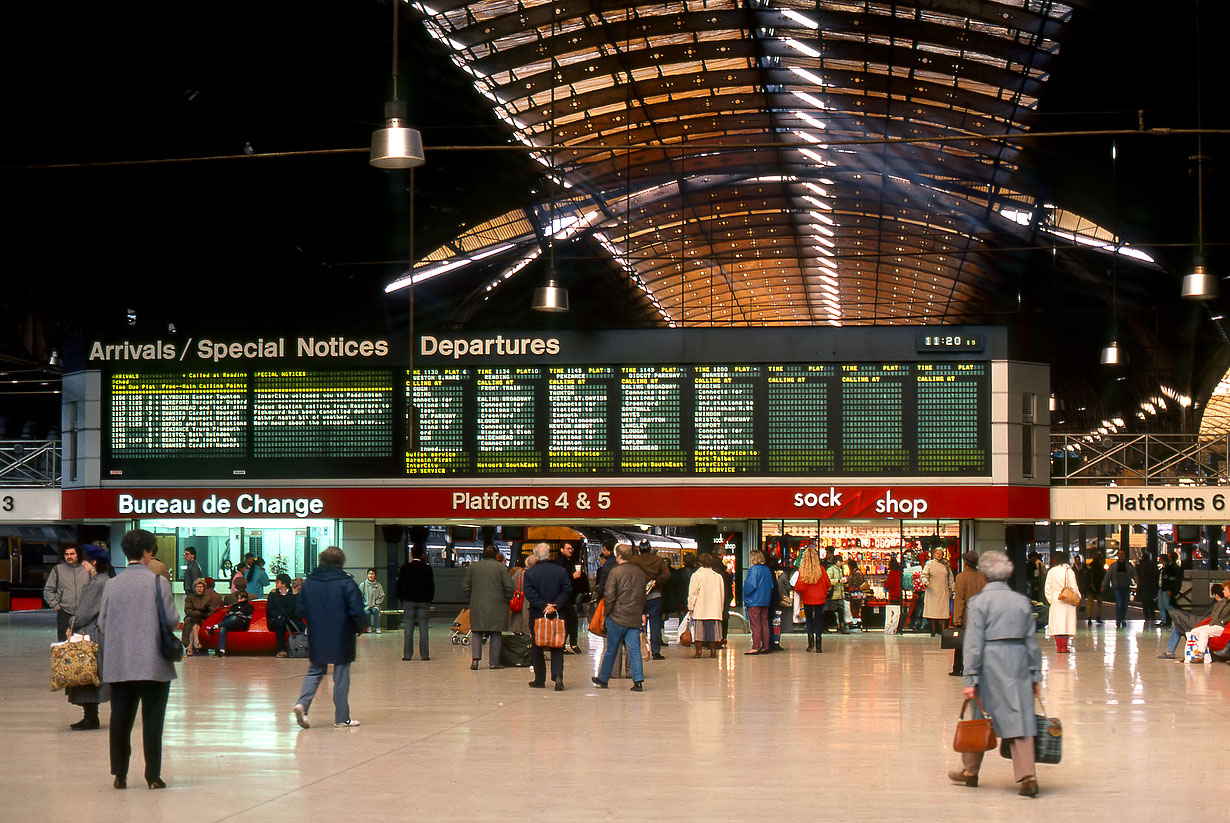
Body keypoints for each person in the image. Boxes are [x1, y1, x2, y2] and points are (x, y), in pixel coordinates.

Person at [948, 550, 1043, 798]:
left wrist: (970, 679)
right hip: (1019, 661)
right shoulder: (1021, 602)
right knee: (1021, 719)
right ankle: (1028, 777)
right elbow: (1032, 642)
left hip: (990, 663)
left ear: (983, 576)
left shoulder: (979, 603)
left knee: (979, 717)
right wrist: (1035, 674)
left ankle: (970, 772)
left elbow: (974, 644)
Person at [99, 528, 180, 789]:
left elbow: (102, 623)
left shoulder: (112, 584)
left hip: (120, 664)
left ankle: (120, 775)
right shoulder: (159, 582)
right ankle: (152, 776)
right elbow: (172, 620)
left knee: (120, 720)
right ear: (148, 551)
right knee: (153, 721)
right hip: (154, 664)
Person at [292, 546, 365, 729]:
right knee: (341, 676)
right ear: (341, 562)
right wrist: (359, 627)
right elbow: (356, 610)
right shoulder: (346, 582)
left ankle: (302, 705)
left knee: (315, 670)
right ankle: (342, 718)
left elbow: (299, 609)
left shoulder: (309, 582)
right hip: (342, 634)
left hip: (317, 632)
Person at [65, 544, 112, 730]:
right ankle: (90, 716)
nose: (82, 564)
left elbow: (86, 611)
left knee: (87, 673)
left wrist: (72, 624)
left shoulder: (98, 582)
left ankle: (91, 717)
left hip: (90, 633)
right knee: (90, 673)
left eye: (85, 561)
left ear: (94, 562)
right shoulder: (101, 580)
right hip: (94, 632)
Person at [592, 544, 647, 691]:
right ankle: (638, 681)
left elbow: (609, 596)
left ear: (618, 556)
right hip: (634, 617)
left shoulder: (615, 572)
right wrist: (641, 612)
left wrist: (607, 613)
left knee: (611, 649)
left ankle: (603, 678)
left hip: (616, 617)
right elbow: (643, 595)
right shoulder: (640, 573)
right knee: (634, 650)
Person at [523, 543, 572, 690]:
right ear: (549, 554)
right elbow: (567, 589)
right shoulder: (561, 571)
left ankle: (539, 679)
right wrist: (555, 605)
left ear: (536, 556)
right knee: (557, 645)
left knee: (537, 646)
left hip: (538, 614)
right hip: (557, 614)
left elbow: (530, 593)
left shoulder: (530, 573)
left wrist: (543, 606)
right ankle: (558, 677)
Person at [462, 545, 514, 670]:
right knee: (496, 632)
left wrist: (472, 597)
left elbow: (465, 586)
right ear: (496, 556)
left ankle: (475, 660)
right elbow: (509, 587)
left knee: (477, 631)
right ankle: (494, 662)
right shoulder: (501, 567)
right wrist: (506, 598)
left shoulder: (473, 567)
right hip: (498, 605)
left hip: (478, 604)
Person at [1158, 582, 1227, 659]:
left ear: (1216, 595)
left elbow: (1213, 618)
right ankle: (1170, 651)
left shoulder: (1219, 604)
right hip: (1204, 621)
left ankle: (1170, 652)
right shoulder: (1220, 603)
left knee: (1177, 622)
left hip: (1204, 623)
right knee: (1177, 624)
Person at [630, 542, 671, 660]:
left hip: (637, 595)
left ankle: (637, 648)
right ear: (650, 549)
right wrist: (656, 582)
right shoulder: (658, 560)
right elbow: (667, 575)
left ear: (639, 549)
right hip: (655, 595)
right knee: (655, 623)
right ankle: (655, 651)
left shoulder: (633, 560)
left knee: (636, 623)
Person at [396, 544, 435, 661]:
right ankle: (424, 655)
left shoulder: (405, 568)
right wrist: (429, 599)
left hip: (408, 601)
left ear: (411, 554)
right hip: (424, 602)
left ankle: (407, 655)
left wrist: (401, 597)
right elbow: (431, 586)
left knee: (408, 628)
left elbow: (399, 585)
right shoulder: (427, 568)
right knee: (423, 628)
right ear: (423, 555)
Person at [951, 551, 987, 676]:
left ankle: (958, 669)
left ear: (965, 563)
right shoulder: (983, 577)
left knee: (961, 643)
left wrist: (957, 618)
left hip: (968, 615)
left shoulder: (961, 577)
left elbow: (960, 599)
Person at [44, 542, 88, 639]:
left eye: (72, 554)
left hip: (84, 612)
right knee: (63, 642)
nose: (69, 557)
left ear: (78, 554)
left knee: (83, 643)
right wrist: (56, 606)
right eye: (66, 554)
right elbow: (48, 590)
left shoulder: (86, 568)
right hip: (64, 612)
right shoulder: (58, 570)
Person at [792, 545, 831, 652]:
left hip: (808, 598)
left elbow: (798, 588)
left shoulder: (802, 571)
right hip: (820, 598)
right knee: (818, 620)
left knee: (809, 620)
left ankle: (810, 644)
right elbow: (828, 584)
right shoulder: (822, 570)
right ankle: (819, 644)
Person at [687, 553, 725, 658]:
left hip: (700, 608)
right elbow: (722, 594)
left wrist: (690, 606)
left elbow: (693, 593)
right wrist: (720, 608)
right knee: (713, 632)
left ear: (699, 563)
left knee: (699, 632)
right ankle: (713, 651)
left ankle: (698, 652)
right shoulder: (718, 577)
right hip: (714, 609)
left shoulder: (696, 576)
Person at [555, 541, 589, 654]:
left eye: (571, 549)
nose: (570, 551)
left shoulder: (567, 562)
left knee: (568, 620)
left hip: (566, 597)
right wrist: (572, 576)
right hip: (562, 597)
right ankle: (569, 643)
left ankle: (567, 644)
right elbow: (560, 579)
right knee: (571, 619)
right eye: (568, 548)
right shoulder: (561, 562)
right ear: (561, 550)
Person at [1044, 550, 1080, 654]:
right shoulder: (1069, 571)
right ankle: (1064, 647)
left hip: (1056, 600)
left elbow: (1047, 587)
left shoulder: (1052, 571)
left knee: (1057, 625)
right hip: (1067, 601)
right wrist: (1078, 598)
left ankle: (1058, 647)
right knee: (1066, 624)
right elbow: (1074, 587)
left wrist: (1051, 600)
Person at [1184, 581, 1230, 660]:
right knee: (1194, 631)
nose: (1223, 592)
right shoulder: (1223, 602)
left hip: (1223, 626)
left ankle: (1200, 655)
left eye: (1225, 590)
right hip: (1214, 624)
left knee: (1204, 632)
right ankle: (1192, 654)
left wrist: (1222, 621)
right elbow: (1214, 615)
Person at [741, 550, 774, 654]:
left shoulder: (754, 570)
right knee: (764, 622)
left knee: (755, 624)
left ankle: (755, 646)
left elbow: (751, 585)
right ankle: (765, 645)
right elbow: (771, 586)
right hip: (765, 600)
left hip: (754, 600)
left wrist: (744, 592)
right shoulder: (767, 570)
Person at [922, 548, 955, 637]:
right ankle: (933, 631)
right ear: (934, 554)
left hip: (943, 591)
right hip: (933, 591)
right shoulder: (929, 564)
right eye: (937, 553)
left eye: (940, 553)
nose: (939, 555)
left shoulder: (946, 565)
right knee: (933, 612)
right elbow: (924, 575)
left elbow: (950, 578)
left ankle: (943, 631)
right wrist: (926, 582)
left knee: (943, 613)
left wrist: (952, 588)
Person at [266, 573, 299, 657]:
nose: (276, 584)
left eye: (278, 582)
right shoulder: (273, 594)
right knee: (279, 623)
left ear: (284, 584)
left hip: (290, 618)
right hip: (276, 619)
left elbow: (294, 609)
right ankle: (281, 649)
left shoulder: (294, 595)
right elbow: (270, 609)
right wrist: (279, 615)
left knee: (301, 625)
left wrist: (284, 614)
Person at [1102, 549, 1136, 628]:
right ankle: (1119, 620)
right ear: (1118, 555)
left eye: (1122, 554)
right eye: (1120, 554)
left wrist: (1136, 579)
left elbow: (1134, 573)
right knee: (1119, 603)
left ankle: (1122, 618)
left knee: (1124, 605)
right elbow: (1108, 575)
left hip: (1126, 587)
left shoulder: (1128, 565)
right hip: (1117, 588)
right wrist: (1103, 585)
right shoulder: (1113, 566)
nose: (1121, 555)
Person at [216, 590, 254, 656]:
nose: (239, 600)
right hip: (231, 624)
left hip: (242, 624)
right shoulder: (234, 606)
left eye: (241, 598)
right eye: (238, 598)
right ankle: (221, 650)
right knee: (223, 627)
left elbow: (247, 618)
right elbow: (227, 616)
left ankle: (216, 626)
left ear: (246, 598)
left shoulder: (249, 607)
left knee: (234, 618)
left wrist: (236, 615)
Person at [182, 578, 213, 657]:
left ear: (204, 588)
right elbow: (187, 610)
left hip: (203, 617)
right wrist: (197, 613)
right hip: (191, 616)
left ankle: (190, 646)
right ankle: (196, 642)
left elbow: (211, 611)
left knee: (195, 621)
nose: (199, 589)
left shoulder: (207, 599)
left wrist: (200, 614)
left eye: (201, 587)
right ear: (194, 588)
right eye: (197, 587)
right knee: (194, 620)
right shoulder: (190, 598)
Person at [1158, 553, 1182, 627]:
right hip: (1162, 588)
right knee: (1161, 605)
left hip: (1165, 589)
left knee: (1166, 605)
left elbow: (1170, 579)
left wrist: (1170, 589)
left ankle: (1178, 615)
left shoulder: (1169, 568)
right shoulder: (1165, 568)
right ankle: (1163, 620)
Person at [1135, 551, 1159, 626]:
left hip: (1143, 586)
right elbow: (1156, 575)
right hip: (1152, 586)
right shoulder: (1153, 565)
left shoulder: (1139, 565)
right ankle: (1152, 616)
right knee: (1151, 603)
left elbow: (1137, 575)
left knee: (1145, 603)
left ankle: (1147, 617)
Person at [360, 568, 385, 633]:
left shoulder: (378, 585)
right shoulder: (363, 584)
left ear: (375, 575)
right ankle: (369, 626)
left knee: (375, 611)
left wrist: (376, 602)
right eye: (369, 574)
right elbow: (359, 596)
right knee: (367, 613)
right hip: (366, 605)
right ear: (367, 575)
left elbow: (382, 596)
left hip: (375, 605)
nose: (371, 575)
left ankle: (377, 627)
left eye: (372, 574)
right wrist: (364, 603)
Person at [1085, 550, 1106, 624]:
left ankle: (1089, 618)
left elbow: (1087, 577)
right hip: (1099, 586)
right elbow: (1103, 576)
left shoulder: (1090, 566)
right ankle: (1098, 617)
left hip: (1091, 586)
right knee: (1099, 603)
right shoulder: (1101, 566)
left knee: (1090, 602)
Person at [884, 556, 903, 634]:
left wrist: (885, 583)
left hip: (894, 594)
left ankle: (894, 627)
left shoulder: (892, 572)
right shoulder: (899, 572)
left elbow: (890, 584)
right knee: (899, 611)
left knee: (893, 612)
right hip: (899, 594)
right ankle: (899, 626)